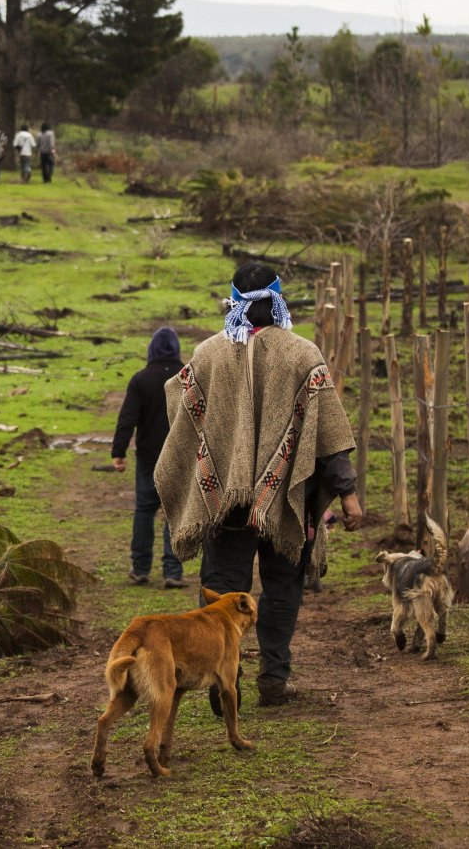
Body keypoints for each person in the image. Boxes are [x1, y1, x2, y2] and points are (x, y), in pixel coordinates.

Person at [156, 262, 363, 708]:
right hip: (288, 503)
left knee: (221, 592)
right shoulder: (303, 353)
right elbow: (330, 437)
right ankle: (273, 678)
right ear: (277, 299)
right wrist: (347, 495)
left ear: (234, 301)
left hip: (224, 506)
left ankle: (219, 681)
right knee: (282, 587)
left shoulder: (208, 354)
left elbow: (181, 410)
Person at [113, 327, 187, 589]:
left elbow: (127, 419)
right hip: (179, 457)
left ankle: (141, 567)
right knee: (174, 513)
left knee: (144, 511)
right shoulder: (186, 378)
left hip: (148, 458)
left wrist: (118, 452)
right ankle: (173, 571)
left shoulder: (140, 379)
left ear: (151, 349)